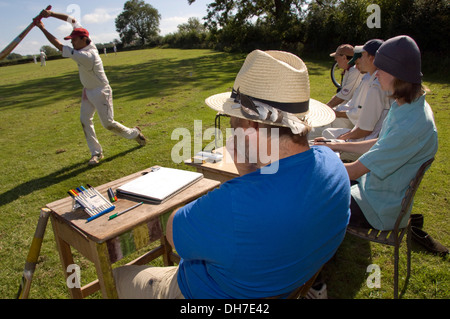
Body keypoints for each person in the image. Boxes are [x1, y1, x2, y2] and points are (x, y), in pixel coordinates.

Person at [113, 50, 351, 299]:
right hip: (290, 283)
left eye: (231, 121)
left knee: (120, 276)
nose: (230, 130)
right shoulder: (334, 167)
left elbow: (174, 233)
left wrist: (243, 169)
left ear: (251, 126)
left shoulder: (235, 205)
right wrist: (248, 169)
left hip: (204, 293)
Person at [315, 35, 438, 231]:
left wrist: (310, 166)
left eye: (381, 69)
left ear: (398, 73)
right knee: (317, 187)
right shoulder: (407, 105)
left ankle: (316, 255)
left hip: (377, 208)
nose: (376, 74)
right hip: (373, 191)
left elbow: (354, 170)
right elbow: (379, 143)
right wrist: (334, 145)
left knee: (312, 199)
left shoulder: (410, 126)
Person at [34, 9, 147, 165]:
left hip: (101, 91)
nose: (71, 42)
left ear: (83, 39)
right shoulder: (84, 41)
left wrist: (42, 28)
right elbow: (71, 20)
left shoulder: (87, 55)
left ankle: (134, 133)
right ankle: (96, 153)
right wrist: (51, 14)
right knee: (85, 120)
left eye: (74, 40)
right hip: (87, 90)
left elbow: (59, 46)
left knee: (108, 124)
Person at [326, 44, 363, 108]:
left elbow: (343, 95)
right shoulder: (349, 70)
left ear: (344, 57)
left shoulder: (355, 71)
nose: (335, 59)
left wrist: (326, 108)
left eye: (337, 57)